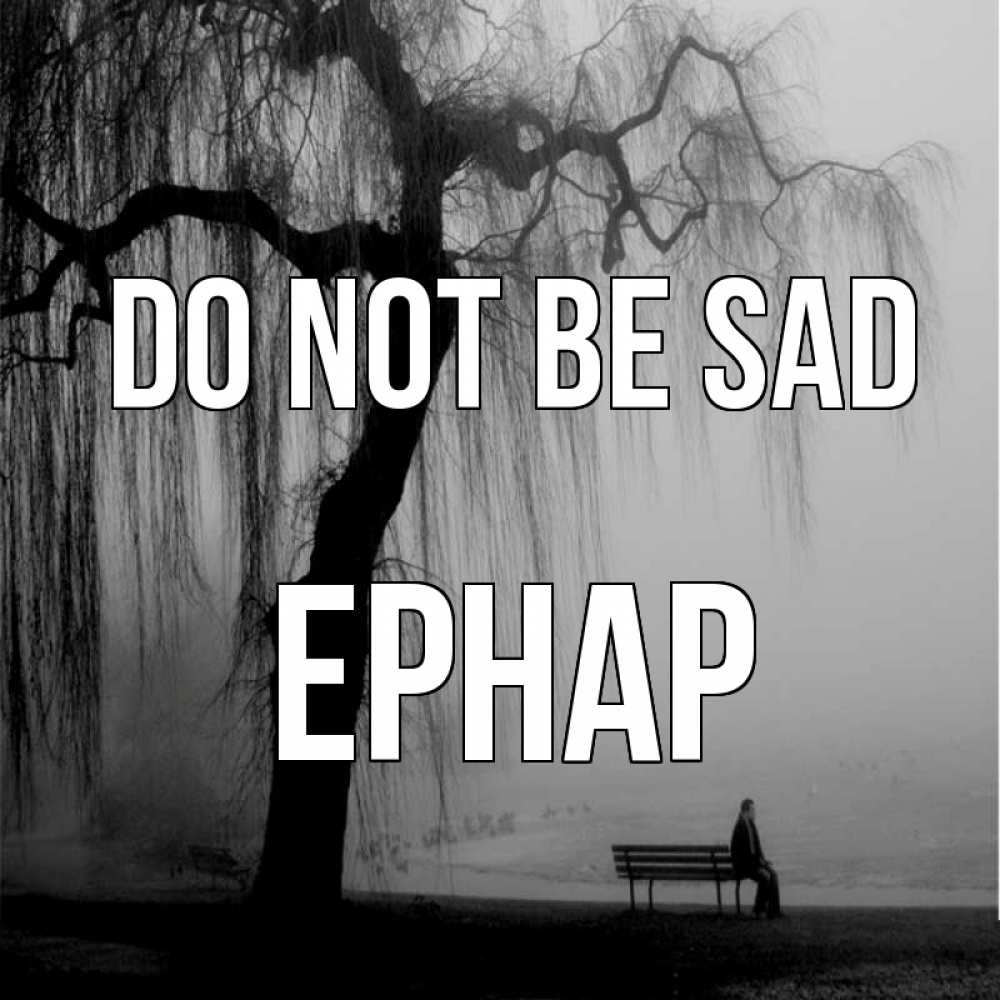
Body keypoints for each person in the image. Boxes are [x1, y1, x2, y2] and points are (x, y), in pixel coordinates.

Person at [730, 798, 782, 918]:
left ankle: (774, 911)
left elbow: (757, 848)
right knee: (765, 877)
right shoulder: (741, 826)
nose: (755, 813)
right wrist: (759, 864)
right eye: (753, 810)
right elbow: (745, 854)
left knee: (773, 874)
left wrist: (763, 861)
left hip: (751, 863)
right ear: (746, 811)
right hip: (743, 866)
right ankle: (758, 910)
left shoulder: (750, 824)